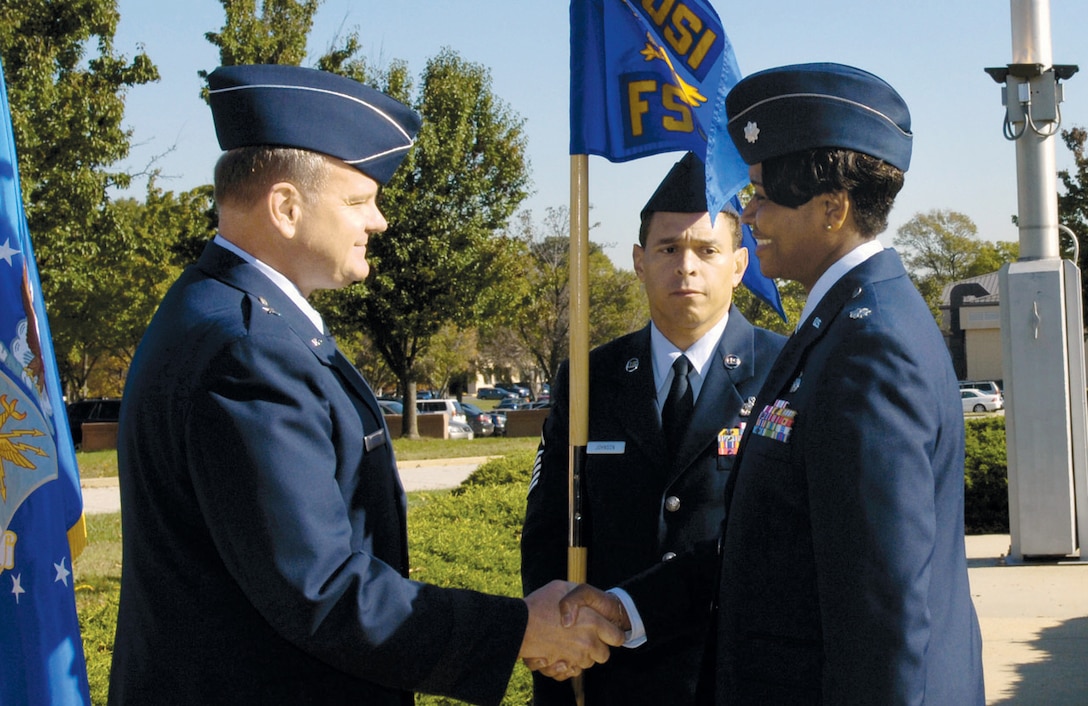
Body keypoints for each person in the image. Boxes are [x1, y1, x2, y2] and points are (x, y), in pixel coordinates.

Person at [107, 64, 622, 706]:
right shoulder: (250, 350)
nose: (378, 221)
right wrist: (518, 629)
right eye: (358, 201)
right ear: (286, 207)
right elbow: (322, 591)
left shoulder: (224, 311)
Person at [556, 62, 986, 705]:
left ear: (832, 209)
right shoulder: (843, 325)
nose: (748, 213)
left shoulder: (869, 350)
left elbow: (885, 613)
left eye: (760, 194)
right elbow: (770, 546)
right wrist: (628, 606)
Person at [521, 152, 786, 705]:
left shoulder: (786, 372)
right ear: (640, 262)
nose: (686, 266)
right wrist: (559, 644)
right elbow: (549, 528)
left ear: (740, 265)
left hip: (733, 673)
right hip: (610, 675)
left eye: (707, 250)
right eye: (668, 248)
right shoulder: (590, 379)